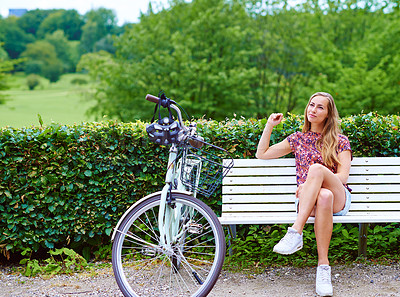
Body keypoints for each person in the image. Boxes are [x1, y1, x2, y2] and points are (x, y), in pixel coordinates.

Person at [256, 92, 352, 296]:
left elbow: (342, 178)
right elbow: (261, 154)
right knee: (323, 196)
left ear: (328, 114)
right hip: (313, 202)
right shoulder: (297, 139)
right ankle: (323, 268)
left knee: (317, 172)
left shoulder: (340, 140)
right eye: (311, 105)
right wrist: (269, 126)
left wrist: (310, 182)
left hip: (339, 197)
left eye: (320, 107)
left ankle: (295, 232)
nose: (313, 110)